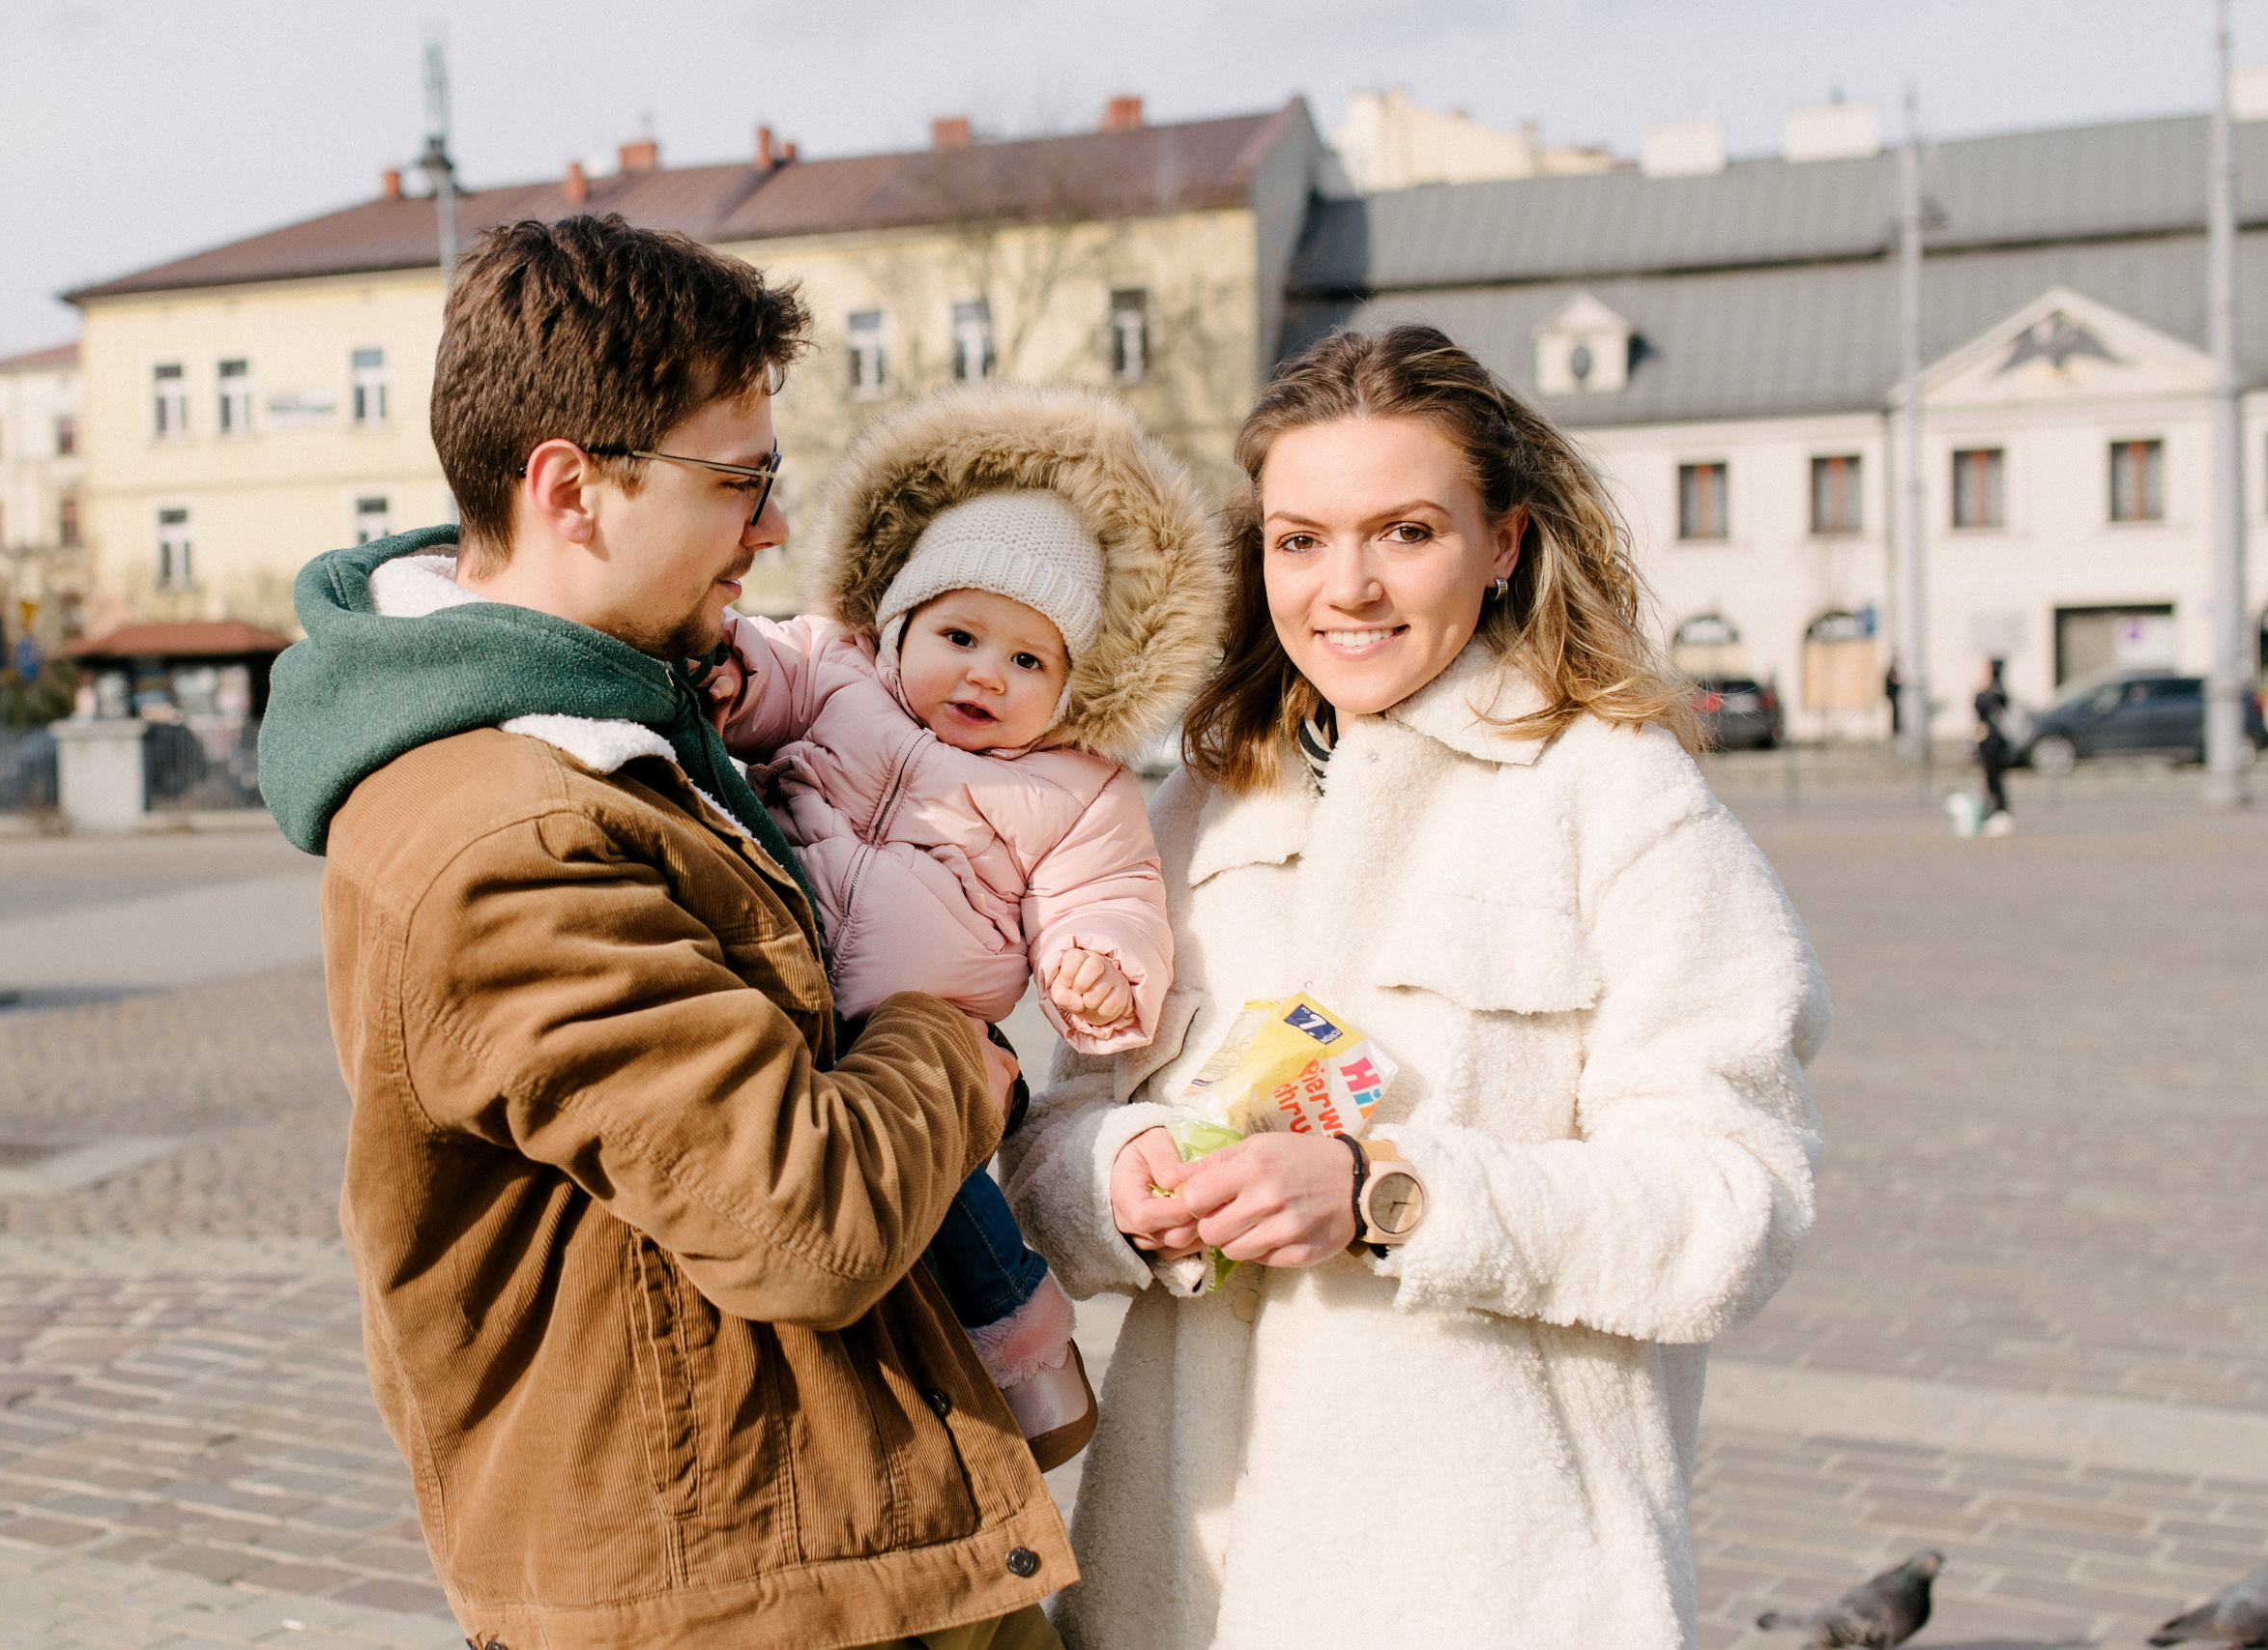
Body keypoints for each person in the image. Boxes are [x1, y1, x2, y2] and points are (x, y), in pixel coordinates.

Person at [258, 216, 1070, 1650]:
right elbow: (799, 1217)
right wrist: (960, 1043)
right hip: (728, 1587)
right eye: (740, 483)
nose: (768, 527)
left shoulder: (631, 726)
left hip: (805, 1539)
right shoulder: (511, 829)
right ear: (573, 486)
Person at [1003, 325, 1830, 1650]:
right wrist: (1127, 1179)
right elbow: (1054, 1142)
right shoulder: (1196, 806)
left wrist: (1393, 1195)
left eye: (1404, 531)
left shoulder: (1618, 797)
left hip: (1497, 1579)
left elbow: (1735, 1204)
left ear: (1501, 543)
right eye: (1301, 538)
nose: (1349, 587)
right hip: (1189, 1583)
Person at [704, 385, 1222, 1468]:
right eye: (959, 634)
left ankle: (1032, 1368)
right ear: (894, 626)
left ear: (1073, 685)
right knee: (823, 1209)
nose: (986, 672)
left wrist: (1099, 969)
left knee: (948, 1208)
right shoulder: (837, 676)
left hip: (923, 1043)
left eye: (1029, 660)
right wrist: (734, 679)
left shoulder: (1075, 790)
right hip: (786, 1009)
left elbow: (1109, 897)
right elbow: (768, 670)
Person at [1974, 658, 2014, 829]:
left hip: (1994, 741)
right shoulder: (1992, 689)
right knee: (1990, 779)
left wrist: (1982, 689)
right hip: (1986, 740)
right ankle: (1995, 812)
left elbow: (1982, 704)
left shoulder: (1996, 689)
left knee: (1995, 778)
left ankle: (2001, 813)